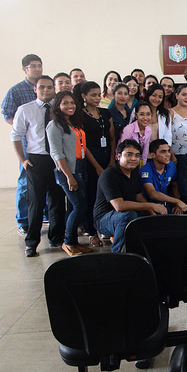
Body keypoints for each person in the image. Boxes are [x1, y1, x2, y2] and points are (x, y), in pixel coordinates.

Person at [10, 75, 66, 257]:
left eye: (50, 87)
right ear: (35, 89)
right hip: (37, 160)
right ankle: (32, 243)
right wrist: (23, 160)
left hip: (57, 160)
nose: (46, 90)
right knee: (36, 202)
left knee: (57, 201)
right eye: (42, 87)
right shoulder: (25, 109)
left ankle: (56, 238)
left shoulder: (59, 110)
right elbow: (16, 136)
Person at [94, 139, 167, 252]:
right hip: (105, 219)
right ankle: (118, 255)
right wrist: (151, 206)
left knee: (154, 218)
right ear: (118, 156)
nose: (134, 158)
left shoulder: (133, 173)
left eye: (137, 155)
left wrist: (153, 215)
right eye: (129, 154)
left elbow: (139, 198)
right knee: (129, 215)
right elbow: (119, 206)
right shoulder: (108, 175)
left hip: (127, 214)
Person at [46, 91, 94, 256]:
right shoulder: (54, 125)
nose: (70, 106)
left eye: (72, 103)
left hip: (81, 166)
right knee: (79, 206)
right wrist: (69, 176)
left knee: (74, 207)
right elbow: (57, 154)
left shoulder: (74, 123)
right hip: (68, 170)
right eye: (65, 103)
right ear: (58, 106)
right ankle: (67, 242)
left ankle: (73, 242)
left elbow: (81, 146)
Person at [2, 54, 42, 236]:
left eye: (40, 65)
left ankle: (43, 215)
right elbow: (7, 113)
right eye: (34, 66)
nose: (38, 69)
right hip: (27, 141)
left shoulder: (44, 88)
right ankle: (23, 221)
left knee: (45, 180)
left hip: (44, 142)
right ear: (25, 69)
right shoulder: (16, 90)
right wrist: (25, 130)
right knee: (26, 180)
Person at [81, 81, 116, 247]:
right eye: (92, 95)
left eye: (97, 94)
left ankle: (105, 229)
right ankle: (91, 231)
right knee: (91, 195)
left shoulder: (105, 112)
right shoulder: (80, 115)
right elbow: (83, 143)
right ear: (84, 96)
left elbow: (112, 138)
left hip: (107, 155)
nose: (96, 98)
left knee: (107, 195)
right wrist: (96, 166)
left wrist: (110, 161)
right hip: (90, 159)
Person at [140, 139, 187, 214]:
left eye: (168, 151)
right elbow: (152, 194)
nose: (168, 154)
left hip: (166, 205)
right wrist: (177, 201)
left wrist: (177, 205)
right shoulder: (145, 170)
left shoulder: (171, 166)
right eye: (163, 152)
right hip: (148, 208)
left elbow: (174, 185)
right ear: (153, 155)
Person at [170, 85, 187, 159]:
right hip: (176, 154)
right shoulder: (171, 113)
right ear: (177, 95)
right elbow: (167, 136)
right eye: (184, 94)